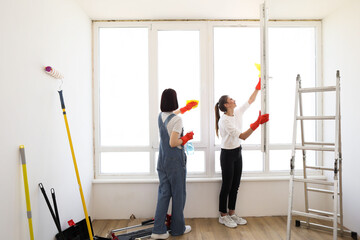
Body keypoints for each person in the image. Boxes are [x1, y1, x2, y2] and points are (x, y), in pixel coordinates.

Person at [214, 78, 269, 228]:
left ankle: (232, 213)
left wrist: (257, 87)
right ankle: (223, 215)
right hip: (227, 155)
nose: (234, 100)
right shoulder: (224, 121)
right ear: (226, 104)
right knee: (227, 185)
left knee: (235, 184)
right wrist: (257, 124)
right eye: (231, 99)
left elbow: (250, 100)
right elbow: (243, 136)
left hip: (237, 152)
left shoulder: (237, 112)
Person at [151, 88, 198, 239]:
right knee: (179, 195)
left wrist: (184, 109)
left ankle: (158, 230)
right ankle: (178, 229)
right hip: (175, 163)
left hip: (162, 161)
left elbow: (170, 118)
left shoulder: (160, 116)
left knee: (164, 194)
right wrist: (187, 138)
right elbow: (173, 143)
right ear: (174, 100)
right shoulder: (177, 121)